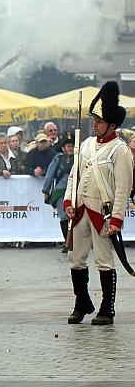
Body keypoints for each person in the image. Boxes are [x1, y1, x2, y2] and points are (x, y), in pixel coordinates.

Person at [64, 82, 133, 325]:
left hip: (102, 213)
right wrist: (68, 201)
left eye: (99, 121)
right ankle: (81, 301)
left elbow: (123, 188)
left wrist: (116, 218)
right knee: (76, 259)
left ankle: (107, 307)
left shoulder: (120, 150)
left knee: (104, 260)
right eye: (94, 120)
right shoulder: (86, 145)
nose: (94, 125)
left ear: (111, 125)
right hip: (81, 210)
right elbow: (75, 174)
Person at [43, 135, 75, 253]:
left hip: (75, 192)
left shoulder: (79, 159)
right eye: (68, 146)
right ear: (63, 148)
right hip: (61, 192)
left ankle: (74, 242)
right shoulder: (58, 158)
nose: (70, 148)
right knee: (63, 217)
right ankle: (67, 243)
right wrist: (46, 191)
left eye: (72, 146)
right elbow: (50, 174)